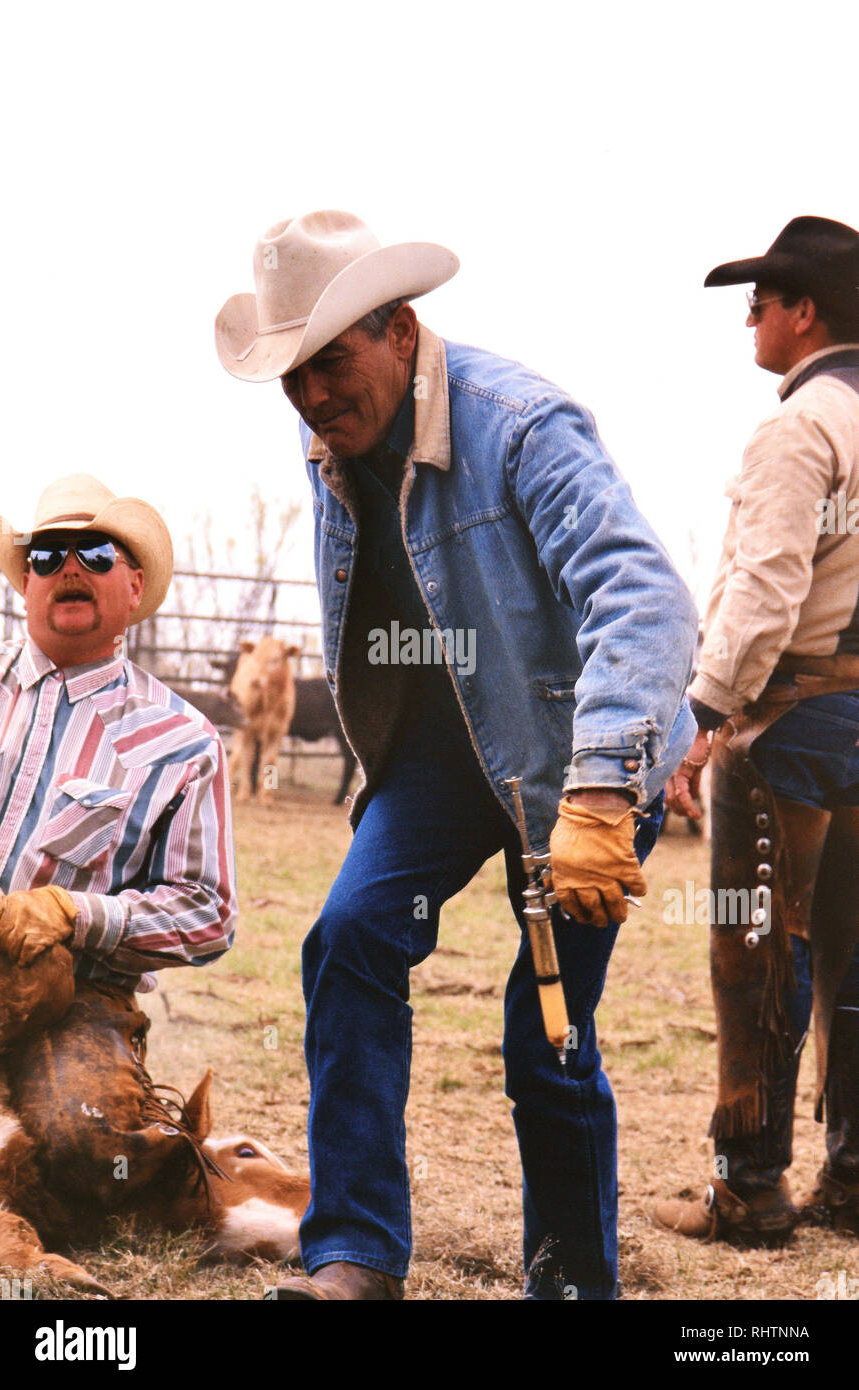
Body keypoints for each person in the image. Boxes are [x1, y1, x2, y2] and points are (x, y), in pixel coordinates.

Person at [215, 210, 697, 1299]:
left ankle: (571, 1283)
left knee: (546, 1033)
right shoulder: (329, 435)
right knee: (346, 938)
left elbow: (645, 596)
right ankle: (353, 1255)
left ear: (400, 329)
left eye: (328, 364)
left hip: (579, 753)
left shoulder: (521, 424)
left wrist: (600, 788)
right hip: (441, 753)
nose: (312, 397)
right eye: (291, 378)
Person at [655, 217, 859, 1243]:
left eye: (759, 301)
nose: (748, 318)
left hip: (792, 722)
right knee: (856, 957)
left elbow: (767, 584)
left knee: (754, 946)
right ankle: (854, 1179)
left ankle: (749, 1185)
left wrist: (700, 715)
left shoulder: (800, 425)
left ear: (803, 312)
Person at [0, 473, 237, 1209]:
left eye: (96, 552)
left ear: (133, 587)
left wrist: (78, 913)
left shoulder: (183, 742)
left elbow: (209, 913)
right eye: (47, 552)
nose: (68, 565)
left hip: (81, 991)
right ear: (24, 581)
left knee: (91, 1148)